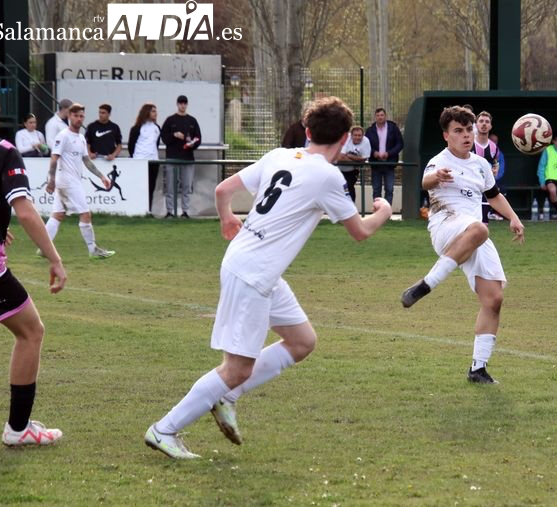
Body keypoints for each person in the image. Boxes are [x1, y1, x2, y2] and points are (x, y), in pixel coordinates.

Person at [144, 96, 392, 459]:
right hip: (253, 274)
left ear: (307, 131)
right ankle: (165, 429)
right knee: (237, 367)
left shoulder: (280, 155)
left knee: (302, 341)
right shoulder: (327, 175)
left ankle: (227, 396)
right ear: (343, 140)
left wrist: (226, 217)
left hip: (254, 267)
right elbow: (360, 231)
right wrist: (384, 210)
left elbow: (222, 190)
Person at [400, 106, 524, 384]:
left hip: (473, 234)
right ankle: (426, 284)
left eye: (469, 130)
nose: (466, 135)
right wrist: (437, 177)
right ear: (446, 136)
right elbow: (425, 180)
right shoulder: (439, 160)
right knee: (481, 228)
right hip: (446, 225)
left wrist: (514, 217)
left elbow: (493, 196)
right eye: (459, 131)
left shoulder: (481, 165)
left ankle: (478, 369)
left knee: (494, 299)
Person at [0, 81, 67, 446]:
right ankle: (18, 430)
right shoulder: (3, 151)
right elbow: (25, 212)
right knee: (31, 331)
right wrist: (54, 258)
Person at [45, 103, 116, 259]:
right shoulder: (63, 136)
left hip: (70, 181)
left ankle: (43, 247)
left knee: (57, 215)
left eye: (81, 116)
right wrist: (51, 180)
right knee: (85, 214)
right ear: (69, 116)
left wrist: (102, 176)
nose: (79, 119)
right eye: (75, 116)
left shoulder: (81, 138)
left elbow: (86, 161)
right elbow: (54, 158)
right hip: (67, 181)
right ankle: (93, 250)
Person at [160, 95, 201, 218]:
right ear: (177, 104)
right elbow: (164, 138)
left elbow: (198, 139)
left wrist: (191, 144)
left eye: (185, 103)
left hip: (187, 158)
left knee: (187, 186)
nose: (182, 105)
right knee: (171, 186)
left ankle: (185, 211)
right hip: (172, 157)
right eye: (180, 103)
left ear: (187, 105)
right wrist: (174, 135)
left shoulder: (192, 121)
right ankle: (170, 211)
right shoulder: (170, 120)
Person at [365, 107, 404, 204]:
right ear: (375, 117)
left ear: (385, 116)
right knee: (376, 190)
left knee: (389, 189)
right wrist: (374, 153)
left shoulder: (393, 128)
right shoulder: (370, 130)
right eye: (378, 115)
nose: (380, 117)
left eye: (382, 115)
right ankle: (377, 212)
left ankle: (387, 214)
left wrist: (389, 153)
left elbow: (400, 144)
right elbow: (366, 145)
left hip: (389, 163)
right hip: (376, 163)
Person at [128, 103, 161, 213]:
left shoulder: (157, 128)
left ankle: (148, 210)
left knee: (151, 187)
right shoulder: (137, 128)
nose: (156, 113)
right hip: (140, 161)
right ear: (146, 112)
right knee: (139, 187)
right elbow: (131, 145)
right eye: (153, 111)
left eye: (156, 111)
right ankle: (137, 210)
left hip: (153, 161)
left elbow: (156, 144)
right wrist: (136, 158)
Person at [474, 111, 500, 224]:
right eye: (481, 121)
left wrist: (495, 170)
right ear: (476, 124)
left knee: (484, 224)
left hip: (485, 189)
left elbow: (495, 163)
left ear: (490, 126)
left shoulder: (494, 147)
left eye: (487, 122)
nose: (484, 124)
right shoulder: (468, 143)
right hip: (470, 188)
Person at [338, 126, 371, 203]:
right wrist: (356, 160)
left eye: (359, 135)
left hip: (352, 170)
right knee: (339, 188)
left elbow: (364, 158)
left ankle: (351, 207)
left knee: (349, 186)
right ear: (351, 135)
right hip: (339, 169)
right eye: (355, 135)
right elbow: (340, 157)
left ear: (363, 135)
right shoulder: (346, 138)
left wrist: (349, 156)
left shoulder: (366, 141)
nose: (357, 137)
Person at [487, 133, 506, 220]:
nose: (493, 143)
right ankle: (488, 212)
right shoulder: (482, 151)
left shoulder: (499, 154)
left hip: (495, 180)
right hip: (483, 180)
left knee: (502, 189)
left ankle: (496, 213)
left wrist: (494, 178)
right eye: (492, 141)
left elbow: (500, 170)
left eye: (495, 141)